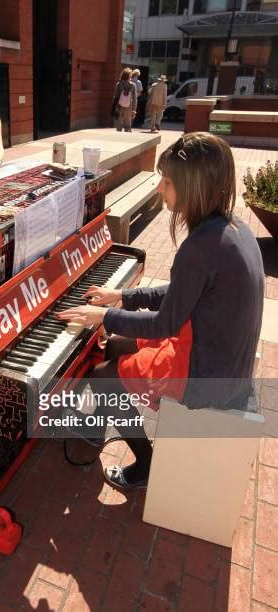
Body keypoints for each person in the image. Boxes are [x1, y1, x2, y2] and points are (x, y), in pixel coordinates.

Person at [57, 132, 264, 489]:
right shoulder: (233, 229)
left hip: (206, 376)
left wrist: (103, 316)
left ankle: (146, 462)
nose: (160, 190)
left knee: (106, 377)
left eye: (166, 183)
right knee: (117, 347)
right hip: (221, 359)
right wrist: (123, 296)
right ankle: (93, 428)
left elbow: (163, 323)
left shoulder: (199, 247)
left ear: (191, 186)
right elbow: (181, 292)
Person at [113, 67, 137, 132]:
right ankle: (127, 138)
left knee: (119, 124)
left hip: (119, 105)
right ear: (130, 76)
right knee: (128, 124)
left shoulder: (119, 84)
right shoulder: (133, 85)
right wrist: (134, 110)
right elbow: (135, 98)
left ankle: (118, 138)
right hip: (129, 106)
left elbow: (116, 96)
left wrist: (115, 106)